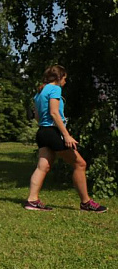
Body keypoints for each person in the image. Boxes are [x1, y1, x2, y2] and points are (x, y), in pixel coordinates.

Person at [25, 64, 107, 212]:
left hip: (42, 131)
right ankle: (86, 202)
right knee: (80, 164)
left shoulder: (39, 92)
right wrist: (66, 135)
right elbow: (54, 113)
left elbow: (37, 116)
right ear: (59, 77)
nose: (65, 81)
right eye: (65, 78)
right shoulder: (55, 89)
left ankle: (32, 200)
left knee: (43, 166)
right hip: (52, 131)